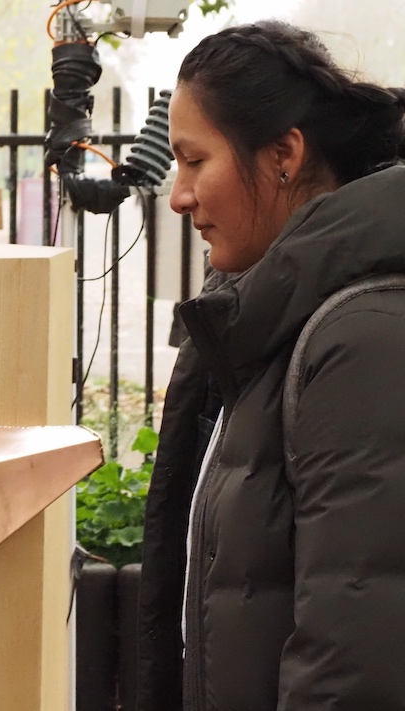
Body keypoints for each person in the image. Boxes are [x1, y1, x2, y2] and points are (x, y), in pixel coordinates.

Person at [137, 20, 405, 711]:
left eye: (195, 161)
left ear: (284, 153)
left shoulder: (361, 338)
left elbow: (357, 662)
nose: (177, 194)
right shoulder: (260, 321)